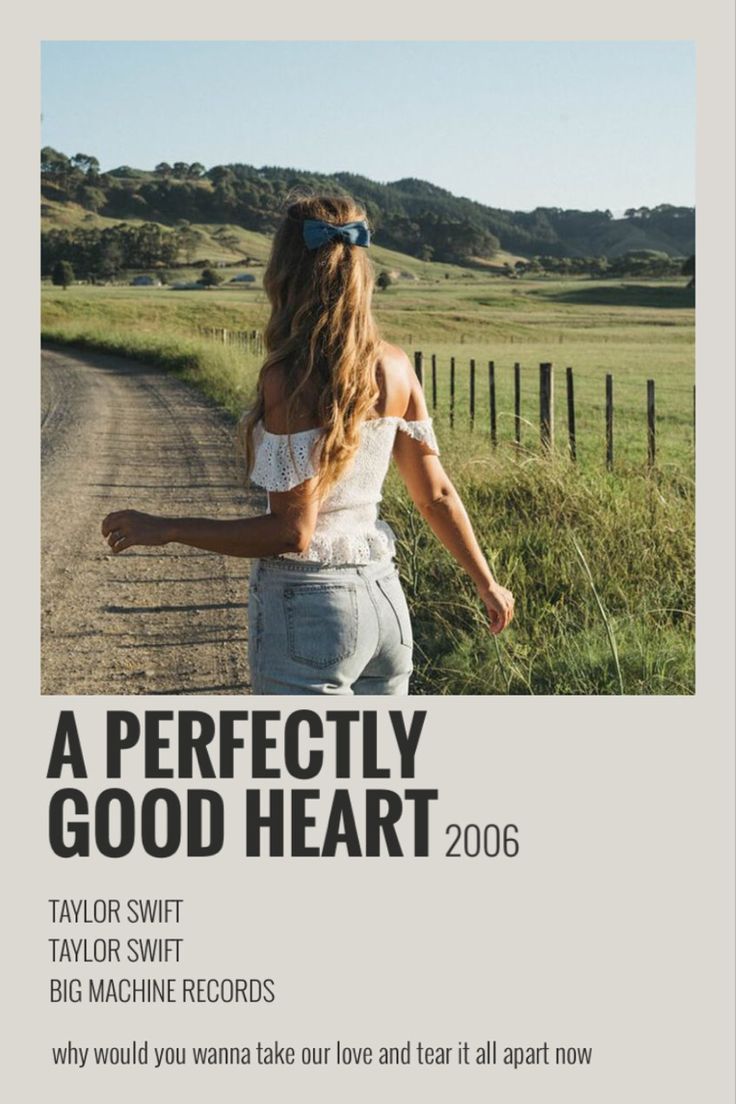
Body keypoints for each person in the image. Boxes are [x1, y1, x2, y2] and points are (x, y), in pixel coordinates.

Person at [101, 194, 514, 694]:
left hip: (312, 611)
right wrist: (485, 581)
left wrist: (164, 528)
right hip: (387, 605)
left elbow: (292, 533)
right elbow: (437, 496)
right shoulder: (397, 366)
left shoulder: (291, 376)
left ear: (285, 272)